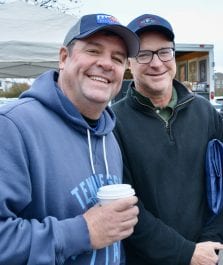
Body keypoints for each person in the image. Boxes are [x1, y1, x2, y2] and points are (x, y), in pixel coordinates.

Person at [0, 14, 140, 264]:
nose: (106, 64)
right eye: (93, 51)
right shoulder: (12, 127)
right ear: (64, 58)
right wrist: (82, 233)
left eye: (117, 59)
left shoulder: (108, 135)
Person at [112, 14, 223, 265]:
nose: (157, 63)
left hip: (205, 255)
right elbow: (127, 207)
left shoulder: (206, 113)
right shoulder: (114, 122)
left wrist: (208, 244)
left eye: (164, 52)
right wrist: (185, 253)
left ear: (174, 56)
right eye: (144, 54)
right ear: (130, 63)